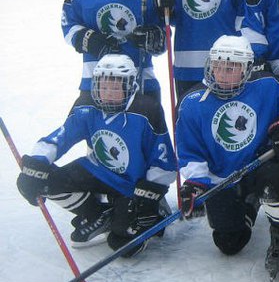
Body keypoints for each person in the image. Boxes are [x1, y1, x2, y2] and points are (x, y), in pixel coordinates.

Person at [16, 54, 177, 257]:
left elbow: (163, 157)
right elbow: (62, 136)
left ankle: (153, 214)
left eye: (115, 87)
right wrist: (37, 162)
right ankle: (96, 214)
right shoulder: (86, 105)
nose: (108, 93)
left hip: (132, 184)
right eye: (103, 86)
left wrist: (152, 190)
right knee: (44, 181)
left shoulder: (146, 109)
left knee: (122, 243)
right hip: (98, 171)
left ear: (129, 86)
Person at [175, 35, 279, 281]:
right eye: (219, 65)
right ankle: (250, 205)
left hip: (259, 165)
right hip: (222, 179)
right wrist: (195, 183)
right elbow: (190, 151)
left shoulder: (266, 86)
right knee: (228, 243)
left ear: (247, 69)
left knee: (277, 180)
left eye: (232, 67)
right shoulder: (191, 103)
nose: (223, 72)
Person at [62, 0, 166, 103]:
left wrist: (153, 38)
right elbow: (68, 25)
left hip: (141, 84)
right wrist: (87, 39)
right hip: (95, 83)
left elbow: (162, 40)